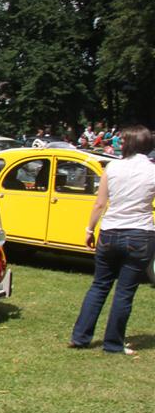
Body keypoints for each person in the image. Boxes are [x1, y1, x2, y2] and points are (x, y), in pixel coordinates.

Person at [69, 125, 155, 356]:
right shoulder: (152, 171)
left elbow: (100, 203)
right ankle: (113, 343)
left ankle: (80, 337)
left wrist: (89, 229)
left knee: (99, 285)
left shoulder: (112, 167)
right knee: (124, 292)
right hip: (140, 234)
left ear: (129, 143)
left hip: (109, 232)